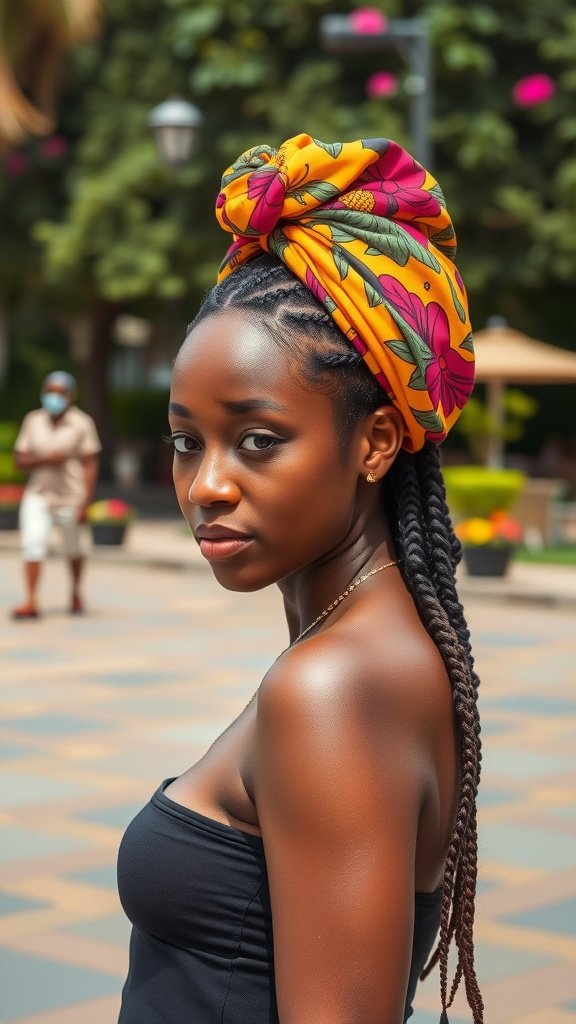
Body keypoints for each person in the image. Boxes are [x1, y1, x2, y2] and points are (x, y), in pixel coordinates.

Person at [117, 135, 483, 1024]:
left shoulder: (333, 688)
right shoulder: (366, 652)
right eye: (184, 440)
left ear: (375, 442)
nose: (205, 485)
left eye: (257, 440)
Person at [11, 370, 101, 619]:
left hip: (71, 496)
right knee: (32, 545)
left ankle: (75, 592)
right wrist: (44, 458)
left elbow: (90, 463)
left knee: (74, 550)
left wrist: (86, 502)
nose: (54, 397)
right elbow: (19, 459)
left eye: (59, 393)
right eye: (49, 391)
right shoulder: (33, 420)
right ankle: (30, 600)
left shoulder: (82, 423)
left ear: (70, 396)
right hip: (38, 494)